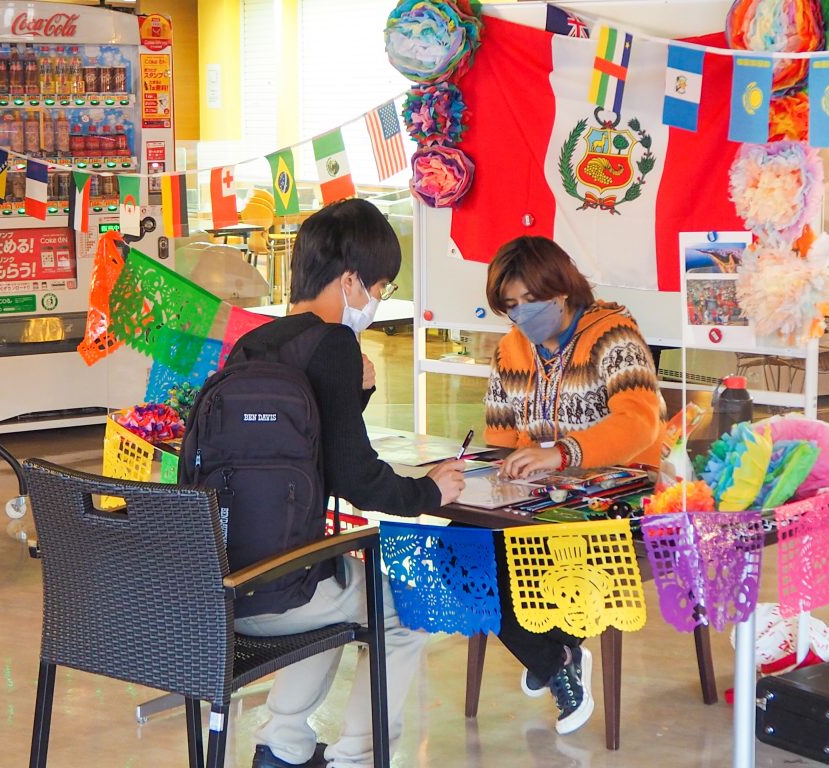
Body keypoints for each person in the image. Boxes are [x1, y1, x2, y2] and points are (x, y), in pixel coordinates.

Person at [228, 198, 466, 768]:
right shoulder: (332, 342)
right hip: (284, 589)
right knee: (408, 608)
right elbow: (355, 478)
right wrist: (429, 492)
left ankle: (283, 747)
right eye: (379, 285)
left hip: (223, 582)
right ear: (351, 279)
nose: (377, 299)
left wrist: (352, 397)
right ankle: (359, 757)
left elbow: (295, 447)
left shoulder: (254, 343)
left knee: (342, 587)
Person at [483, 235, 662, 735]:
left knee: (523, 555)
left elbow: (640, 425)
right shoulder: (509, 350)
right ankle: (554, 654)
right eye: (510, 306)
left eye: (527, 302)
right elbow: (500, 438)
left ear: (560, 291)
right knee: (460, 545)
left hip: (621, 498)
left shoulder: (614, 336)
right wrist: (496, 472)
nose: (520, 316)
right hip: (541, 500)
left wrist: (560, 454)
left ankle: (551, 650)